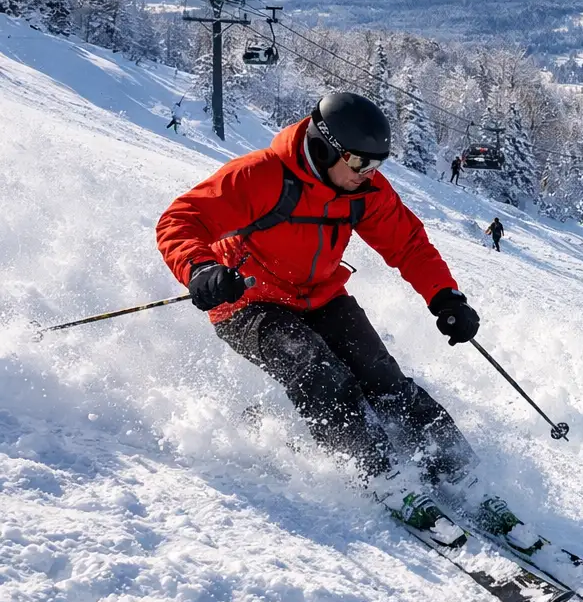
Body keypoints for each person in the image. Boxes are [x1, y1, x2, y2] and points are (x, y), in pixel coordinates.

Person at [156, 91, 512, 548]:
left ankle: (461, 475)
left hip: (320, 295)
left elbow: (408, 244)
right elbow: (181, 219)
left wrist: (446, 298)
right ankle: (378, 471)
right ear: (325, 148)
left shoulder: (363, 190)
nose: (370, 175)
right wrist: (201, 270)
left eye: (377, 165)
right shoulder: (263, 175)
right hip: (247, 301)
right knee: (316, 370)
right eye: (361, 163)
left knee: (384, 377)